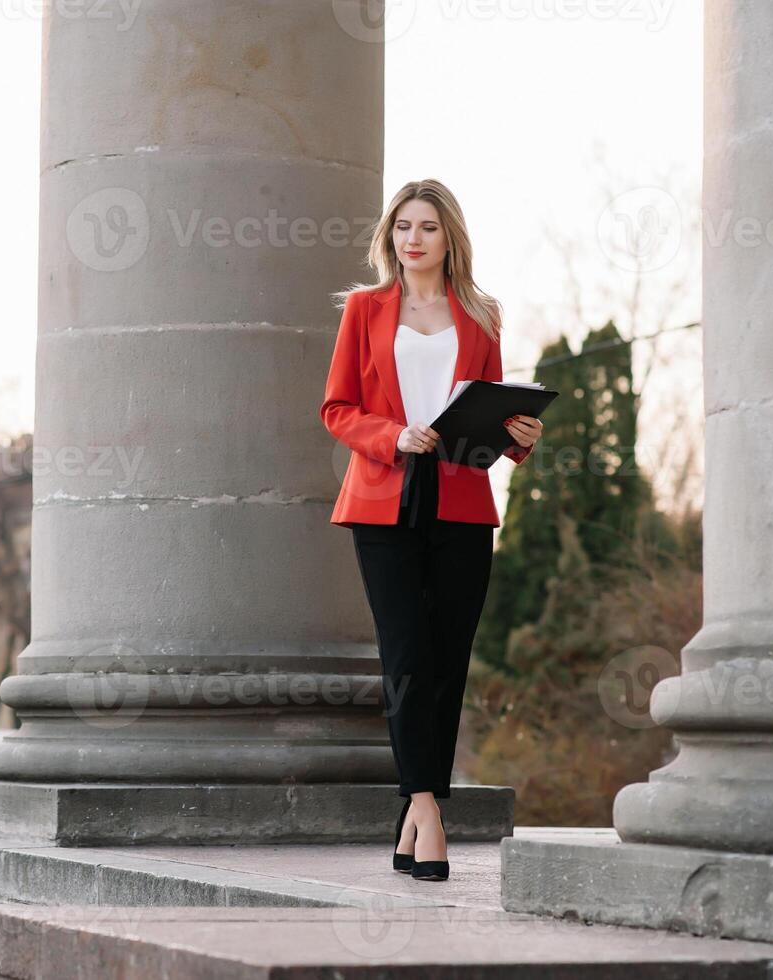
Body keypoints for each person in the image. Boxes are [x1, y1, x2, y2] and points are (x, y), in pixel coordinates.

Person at [319, 179, 543, 883]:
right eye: (402, 227)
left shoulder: (479, 316)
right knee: (406, 655)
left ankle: (412, 817)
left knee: (446, 659)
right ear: (390, 237)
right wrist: (393, 436)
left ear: (449, 239)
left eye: (427, 228)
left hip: (461, 500)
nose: (412, 239)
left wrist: (521, 437)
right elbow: (337, 408)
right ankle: (427, 810)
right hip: (383, 498)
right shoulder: (363, 309)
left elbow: (490, 420)